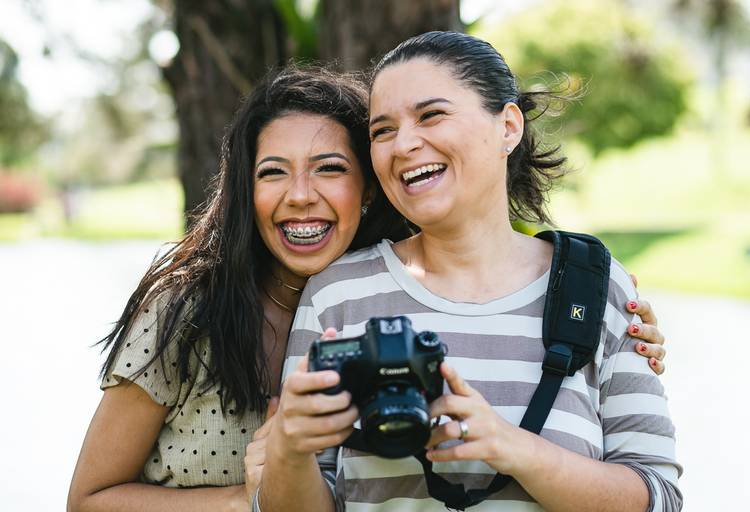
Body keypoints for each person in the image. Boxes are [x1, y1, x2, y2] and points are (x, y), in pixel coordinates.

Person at [67, 66, 665, 512]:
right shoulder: (193, 311)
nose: (301, 195)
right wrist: (255, 493)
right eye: (272, 172)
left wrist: (590, 301)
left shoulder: (375, 292)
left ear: (371, 185)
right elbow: (89, 499)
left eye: (330, 168)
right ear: (246, 192)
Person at [260, 32, 682, 512]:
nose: (404, 144)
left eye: (430, 115)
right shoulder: (337, 294)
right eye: (382, 131)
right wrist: (289, 451)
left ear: (508, 127)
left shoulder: (593, 289)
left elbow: (659, 498)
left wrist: (514, 448)